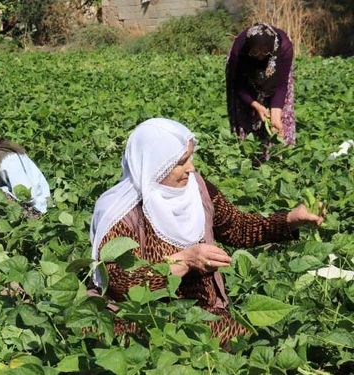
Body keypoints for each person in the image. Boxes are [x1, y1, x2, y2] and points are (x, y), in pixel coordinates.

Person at [90, 118, 323, 347]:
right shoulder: (121, 212)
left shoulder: (197, 190)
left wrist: (291, 219)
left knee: (255, 343)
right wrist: (184, 261)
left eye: (190, 157)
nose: (190, 168)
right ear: (153, 165)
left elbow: (238, 228)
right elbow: (120, 283)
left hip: (203, 313)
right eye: (180, 162)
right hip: (147, 319)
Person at [226, 23, 295, 161]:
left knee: (279, 121)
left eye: (265, 52)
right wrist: (256, 105)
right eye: (255, 52)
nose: (260, 57)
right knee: (247, 116)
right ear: (249, 49)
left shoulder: (284, 47)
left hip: (276, 72)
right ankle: (252, 159)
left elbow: (281, 85)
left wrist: (276, 114)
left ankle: (279, 158)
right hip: (244, 77)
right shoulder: (239, 51)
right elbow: (238, 85)